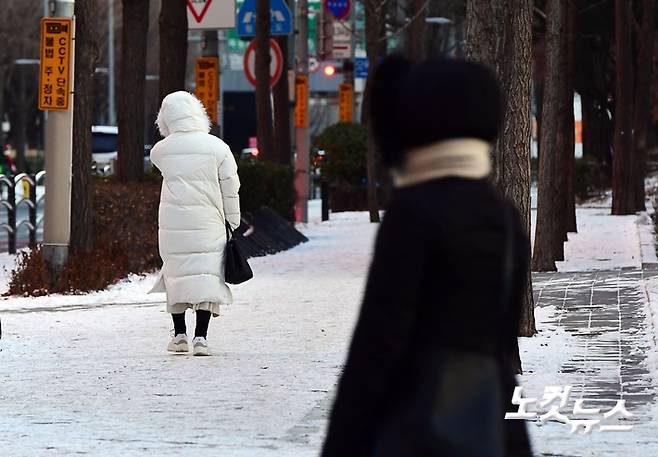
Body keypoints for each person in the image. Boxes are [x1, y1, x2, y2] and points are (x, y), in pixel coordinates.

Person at [321, 57, 533, 456]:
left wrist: (342, 443)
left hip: (413, 423)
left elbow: (378, 342)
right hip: (482, 424)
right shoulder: (503, 215)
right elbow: (500, 346)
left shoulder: (413, 213)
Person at [149, 91, 240, 357]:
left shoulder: (161, 151)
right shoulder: (218, 147)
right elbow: (231, 188)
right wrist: (232, 221)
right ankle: (201, 338)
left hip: (173, 224)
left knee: (176, 274)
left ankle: (179, 336)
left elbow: (159, 160)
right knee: (207, 276)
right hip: (209, 223)